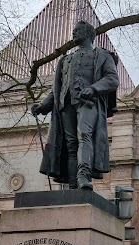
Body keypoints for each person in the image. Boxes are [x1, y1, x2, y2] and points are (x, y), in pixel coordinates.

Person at [31, 20, 119, 189]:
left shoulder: (101, 55)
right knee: (71, 144)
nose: (74, 33)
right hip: (66, 104)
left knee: (84, 135)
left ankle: (84, 177)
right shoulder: (66, 60)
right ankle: (73, 183)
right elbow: (57, 89)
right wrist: (43, 106)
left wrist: (93, 88)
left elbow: (112, 79)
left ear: (88, 33)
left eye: (77, 30)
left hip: (88, 103)